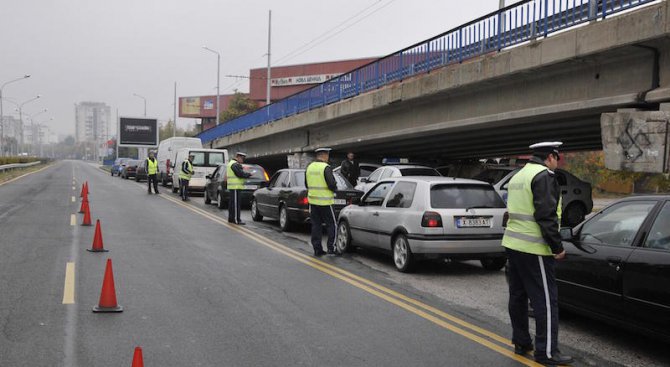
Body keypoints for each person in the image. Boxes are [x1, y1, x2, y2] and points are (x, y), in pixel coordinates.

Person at [502, 141, 572, 366]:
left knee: (518, 297)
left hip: (514, 245)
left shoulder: (519, 176)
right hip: (535, 249)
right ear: (550, 156)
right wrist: (557, 247)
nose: (557, 163)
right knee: (546, 302)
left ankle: (522, 342)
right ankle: (547, 352)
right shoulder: (545, 176)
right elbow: (546, 215)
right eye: (557, 158)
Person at [305, 148, 338, 256]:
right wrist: (335, 189)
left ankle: (317, 249)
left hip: (313, 202)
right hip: (326, 202)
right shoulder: (326, 167)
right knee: (332, 225)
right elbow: (331, 184)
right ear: (324, 155)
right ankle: (331, 248)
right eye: (328, 155)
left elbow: (306, 184)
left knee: (316, 225)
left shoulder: (309, 167)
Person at [227, 152, 252, 225]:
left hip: (234, 187)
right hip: (235, 187)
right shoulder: (234, 164)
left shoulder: (232, 163)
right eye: (242, 158)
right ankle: (236, 219)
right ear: (238, 157)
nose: (243, 160)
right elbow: (240, 174)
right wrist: (249, 174)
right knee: (235, 204)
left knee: (232, 203)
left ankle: (231, 218)